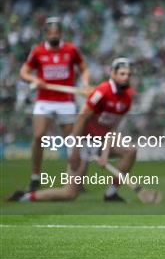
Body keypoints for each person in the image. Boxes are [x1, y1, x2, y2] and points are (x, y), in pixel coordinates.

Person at [9, 58, 136, 202]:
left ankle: (111, 193)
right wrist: (75, 150)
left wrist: (105, 155)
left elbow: (112, 128)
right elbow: (81, 119)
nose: (126, 78)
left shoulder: (127, 99)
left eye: (129, 75)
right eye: (122, 74)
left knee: (130, 150)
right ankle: (25, 197)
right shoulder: (102, 92)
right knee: (69, 194)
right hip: (82, 142)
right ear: (113, 74)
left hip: (100, 142)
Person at [19, 17, 90, 191]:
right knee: (38, 136)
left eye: (56, 32)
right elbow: (24, 72)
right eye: (50, 32)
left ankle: (75, 179)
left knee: (72, 142)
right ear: (45, 34)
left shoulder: (71, 49)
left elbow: (84, 69)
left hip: (66, 101)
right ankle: (35, 177)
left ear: (61, 33)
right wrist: (35, 79)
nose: (53, 35)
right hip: (44, 101)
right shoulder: (37, 52)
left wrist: (85, 84)